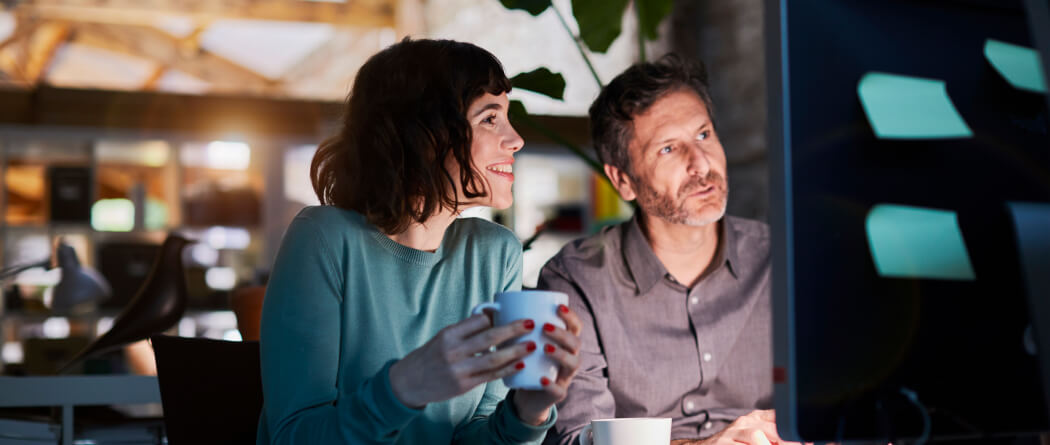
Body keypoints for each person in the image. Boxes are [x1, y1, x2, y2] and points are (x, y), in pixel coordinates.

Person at [256, 38, 582, 445]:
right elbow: (294, 437)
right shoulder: (324, 238)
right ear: (424, 135)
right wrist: (403, 389)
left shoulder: (496, 253)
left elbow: (475, 436)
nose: (515, 139)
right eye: (489, 119)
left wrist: (527, 412)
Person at [539, 55, 793, 445]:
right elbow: (576, 439)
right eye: (669, 149)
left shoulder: (783, 258)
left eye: (704, 135)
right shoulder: (576, 281)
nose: (700, 163)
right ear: (623, 181)